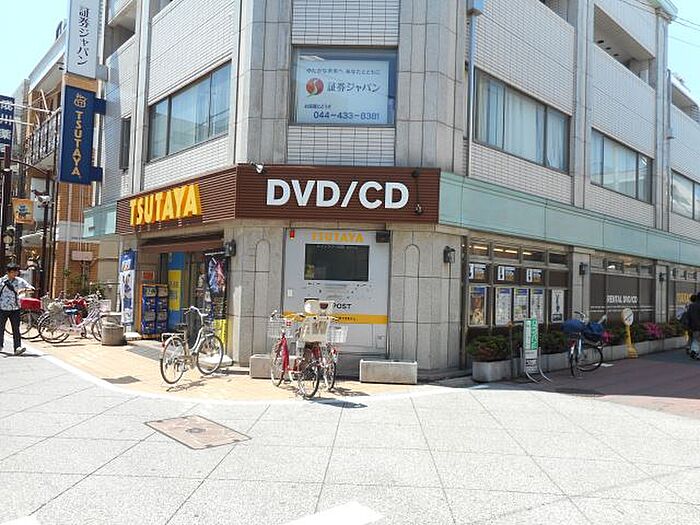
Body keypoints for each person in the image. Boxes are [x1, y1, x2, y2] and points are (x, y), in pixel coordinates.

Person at [0, 263, 34, 355]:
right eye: (13, 271)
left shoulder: (19, 281)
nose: (15, 273)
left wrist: (24, 290)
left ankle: (17, 347)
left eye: (17, 271)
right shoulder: (1, 281)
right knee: (1, 328)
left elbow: (32, 288)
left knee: (16, 329)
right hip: (2, 308)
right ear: (8, 272)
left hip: (15, 308)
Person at [686, 294, 700, 360]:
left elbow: (688, 316)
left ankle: (694, 350)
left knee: (696, 339)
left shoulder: (691, 306)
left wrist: (689, 327)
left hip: (694, 326)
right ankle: (696, 353)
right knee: (697, 340)